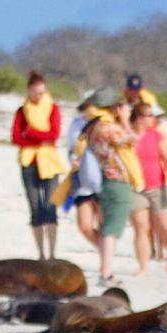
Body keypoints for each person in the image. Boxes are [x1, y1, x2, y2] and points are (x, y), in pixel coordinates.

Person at [82, 87, 144, 284]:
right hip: (117, 181)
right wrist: (125, 120)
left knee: (106, 225)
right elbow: (133, 139)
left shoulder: (93, 127)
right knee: (111, 229)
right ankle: (106, 272)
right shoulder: (108, 127)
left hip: (104, 181)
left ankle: (105, 269)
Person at [10, 71, 66, 260]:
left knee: (50, 206)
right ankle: (40, 254)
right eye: (35, 92)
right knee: (35, 207)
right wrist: (38, 138)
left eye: (42, 92)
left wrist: (31, 133)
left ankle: (52, 253)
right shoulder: (21, 111)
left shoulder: (53, 108)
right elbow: (16, 137)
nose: (39, 96)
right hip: (28, 162)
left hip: (49, 161)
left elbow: (54, 133)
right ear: (29, 91)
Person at [129, 103, 167, 275]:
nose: (154, 119)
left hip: (157, 186)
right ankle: (143, 266)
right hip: (135, 187)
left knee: (165, 225)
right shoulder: (128, 136)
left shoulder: (157, 136)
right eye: (150, 116)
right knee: (140, 227)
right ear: (139, 118)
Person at [58, 90, 106, 251]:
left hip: (101, 176)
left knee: (104, 222)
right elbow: (71, 147)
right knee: (84, 226)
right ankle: (105, 250)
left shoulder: (104, 122)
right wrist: (73, 159)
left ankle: (106, 256)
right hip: (81, 178)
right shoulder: (77, 122)